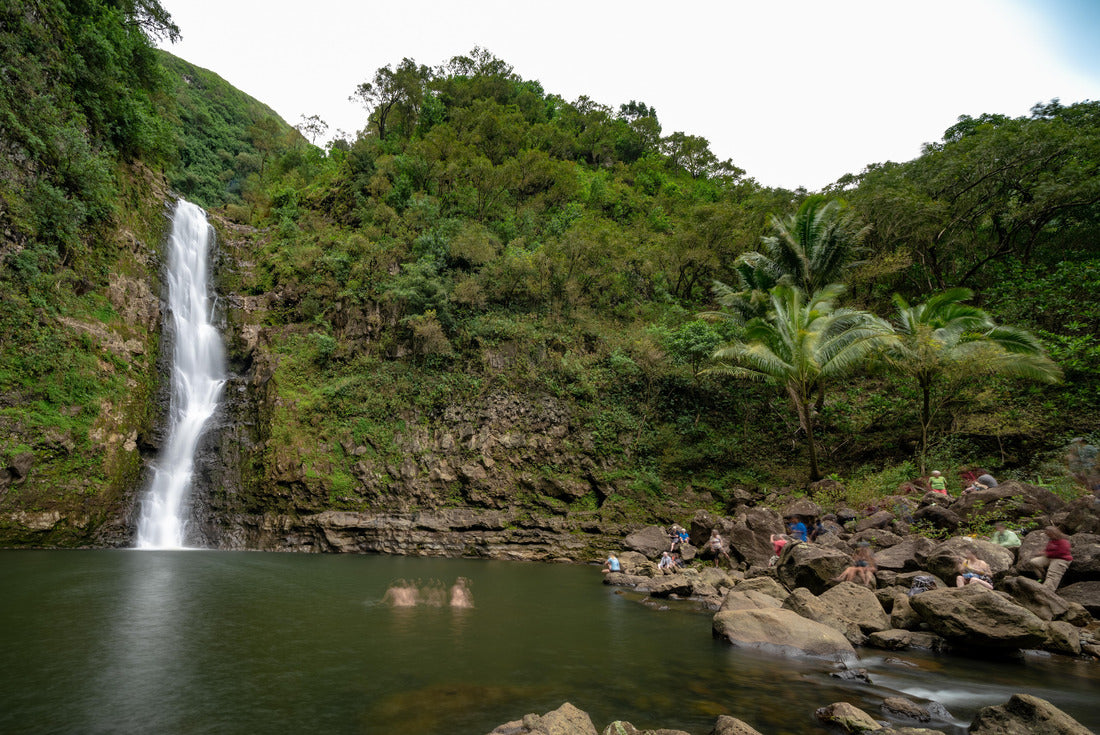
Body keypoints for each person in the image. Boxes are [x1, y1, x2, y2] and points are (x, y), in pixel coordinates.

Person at [1029, 526, 1073, 591]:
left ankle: (1047, 590)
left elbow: (1062, 552)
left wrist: (1047, 554)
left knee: (1052, 574)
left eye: (1048, 534)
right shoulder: (1052, 540)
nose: (1047, 535)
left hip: (1061, 559)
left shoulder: (1063, 541)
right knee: (1033, 562)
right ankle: (1042, 577)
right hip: (1050, 557)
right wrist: (1042, 552)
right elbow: (1048, 549)